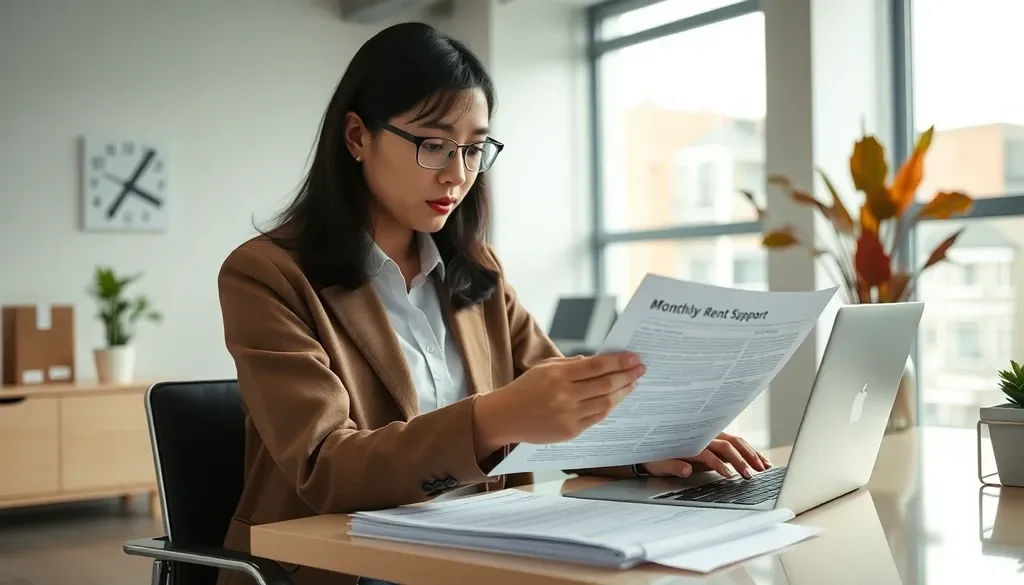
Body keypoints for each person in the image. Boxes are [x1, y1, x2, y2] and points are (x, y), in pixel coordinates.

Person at [216, 22, 770, 585]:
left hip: (479, 553)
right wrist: (494, 418)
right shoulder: (266, 274)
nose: (457, 175)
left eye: (475, 148)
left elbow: (564, 404)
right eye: (432, 144)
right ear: (357, 136)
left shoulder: (475, 270)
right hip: (337, 568)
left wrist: (648, 450)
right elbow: (324, 469)